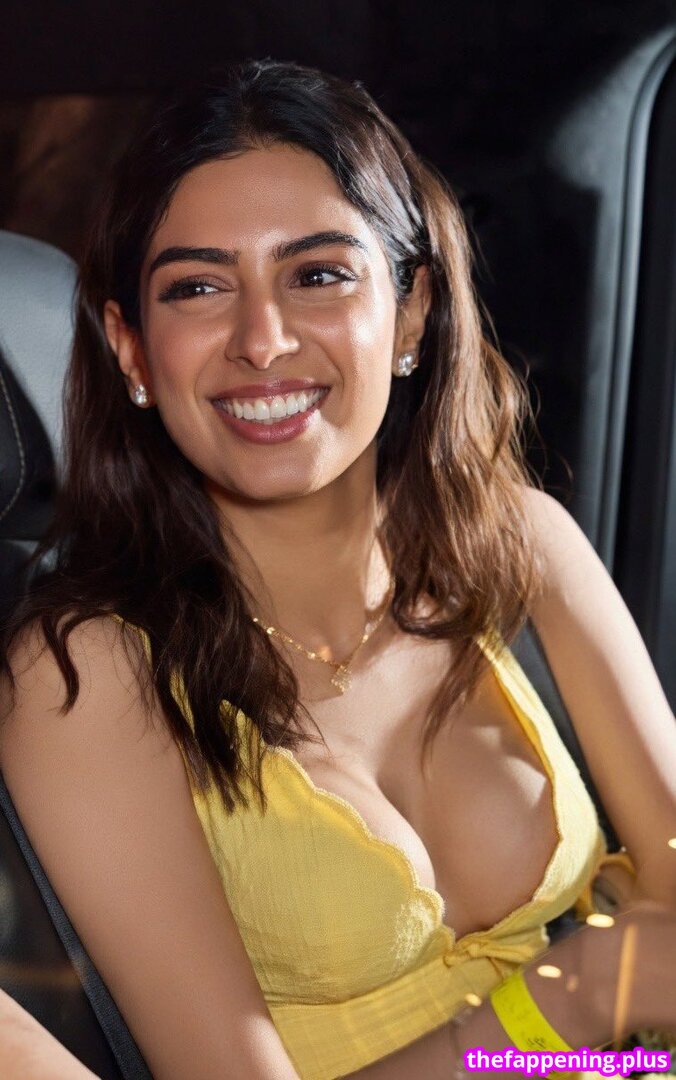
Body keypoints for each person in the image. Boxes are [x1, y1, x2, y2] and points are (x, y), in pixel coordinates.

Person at [1, 58, 675, 1080]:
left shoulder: (521, 545)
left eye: (317, 274)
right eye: (198, 288)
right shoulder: (87, 676)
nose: (262, 341)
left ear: (411, 313)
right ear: (131, 352)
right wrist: (568, 1002)